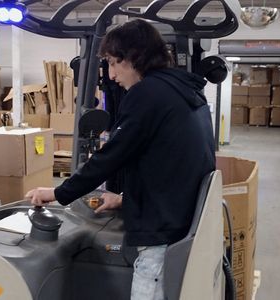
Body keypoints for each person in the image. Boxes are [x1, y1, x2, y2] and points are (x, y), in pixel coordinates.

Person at [26, 18, 216, 300]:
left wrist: (58, 192)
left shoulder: (147, 94)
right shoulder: (184, 91)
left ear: (134, 58)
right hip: (181, 220)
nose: (111, 75)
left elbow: (112, 155)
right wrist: (124, 198)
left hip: (160, 234)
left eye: (114, 63)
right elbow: (170, 163)